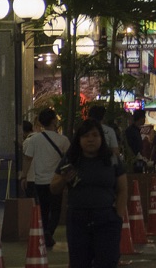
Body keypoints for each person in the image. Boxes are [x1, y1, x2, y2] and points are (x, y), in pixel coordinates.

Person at [50, 119, 127, 268]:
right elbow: (53, 188)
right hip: (78, 221)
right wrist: (64, 180)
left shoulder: (111, 159)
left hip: (106, 220)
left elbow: (123, 189)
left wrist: (118, 216)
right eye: (85, 136)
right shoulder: (71, 159)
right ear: (79, 139)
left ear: (101, 138)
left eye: (94, 135)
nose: (90, 139)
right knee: (79, 262)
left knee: (107, 261)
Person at [21, 107, 70, 249]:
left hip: (39, 181)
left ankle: (45, 233)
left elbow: (27, 159)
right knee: (55, 209)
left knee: (43, 208)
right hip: (56, 181)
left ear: (40, 123)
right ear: (54, 120)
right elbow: (70, 159)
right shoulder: (63, 140)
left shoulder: (34, 140)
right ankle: (49, 232)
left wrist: (23, 176)